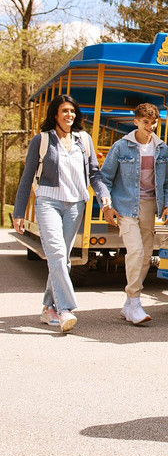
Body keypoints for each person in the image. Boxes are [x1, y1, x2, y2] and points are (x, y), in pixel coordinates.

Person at [12, 94, 112, 333]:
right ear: (55, 115)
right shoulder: (42, 140)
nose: (70, 115)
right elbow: (27, 178)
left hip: (76, 204)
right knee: (56, 254)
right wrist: (18, 212)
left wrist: (103, 195)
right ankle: (66, 308)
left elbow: (94, 174)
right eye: (65, 111)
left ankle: (48, 308)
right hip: (48, 202)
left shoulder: (83, 140)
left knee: (63, 259)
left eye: (72, 111)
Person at [99, 102, 168, 325]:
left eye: (154, 123)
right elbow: (104, 178)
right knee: (134, 251)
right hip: (125, 206)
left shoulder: (161, 148)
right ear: (136, 122)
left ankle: (129, 303)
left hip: (149, 207)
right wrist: (107, 206)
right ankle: (134, 301)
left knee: (145, 256)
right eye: (145, 123)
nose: (150, 127)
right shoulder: (122, 146)